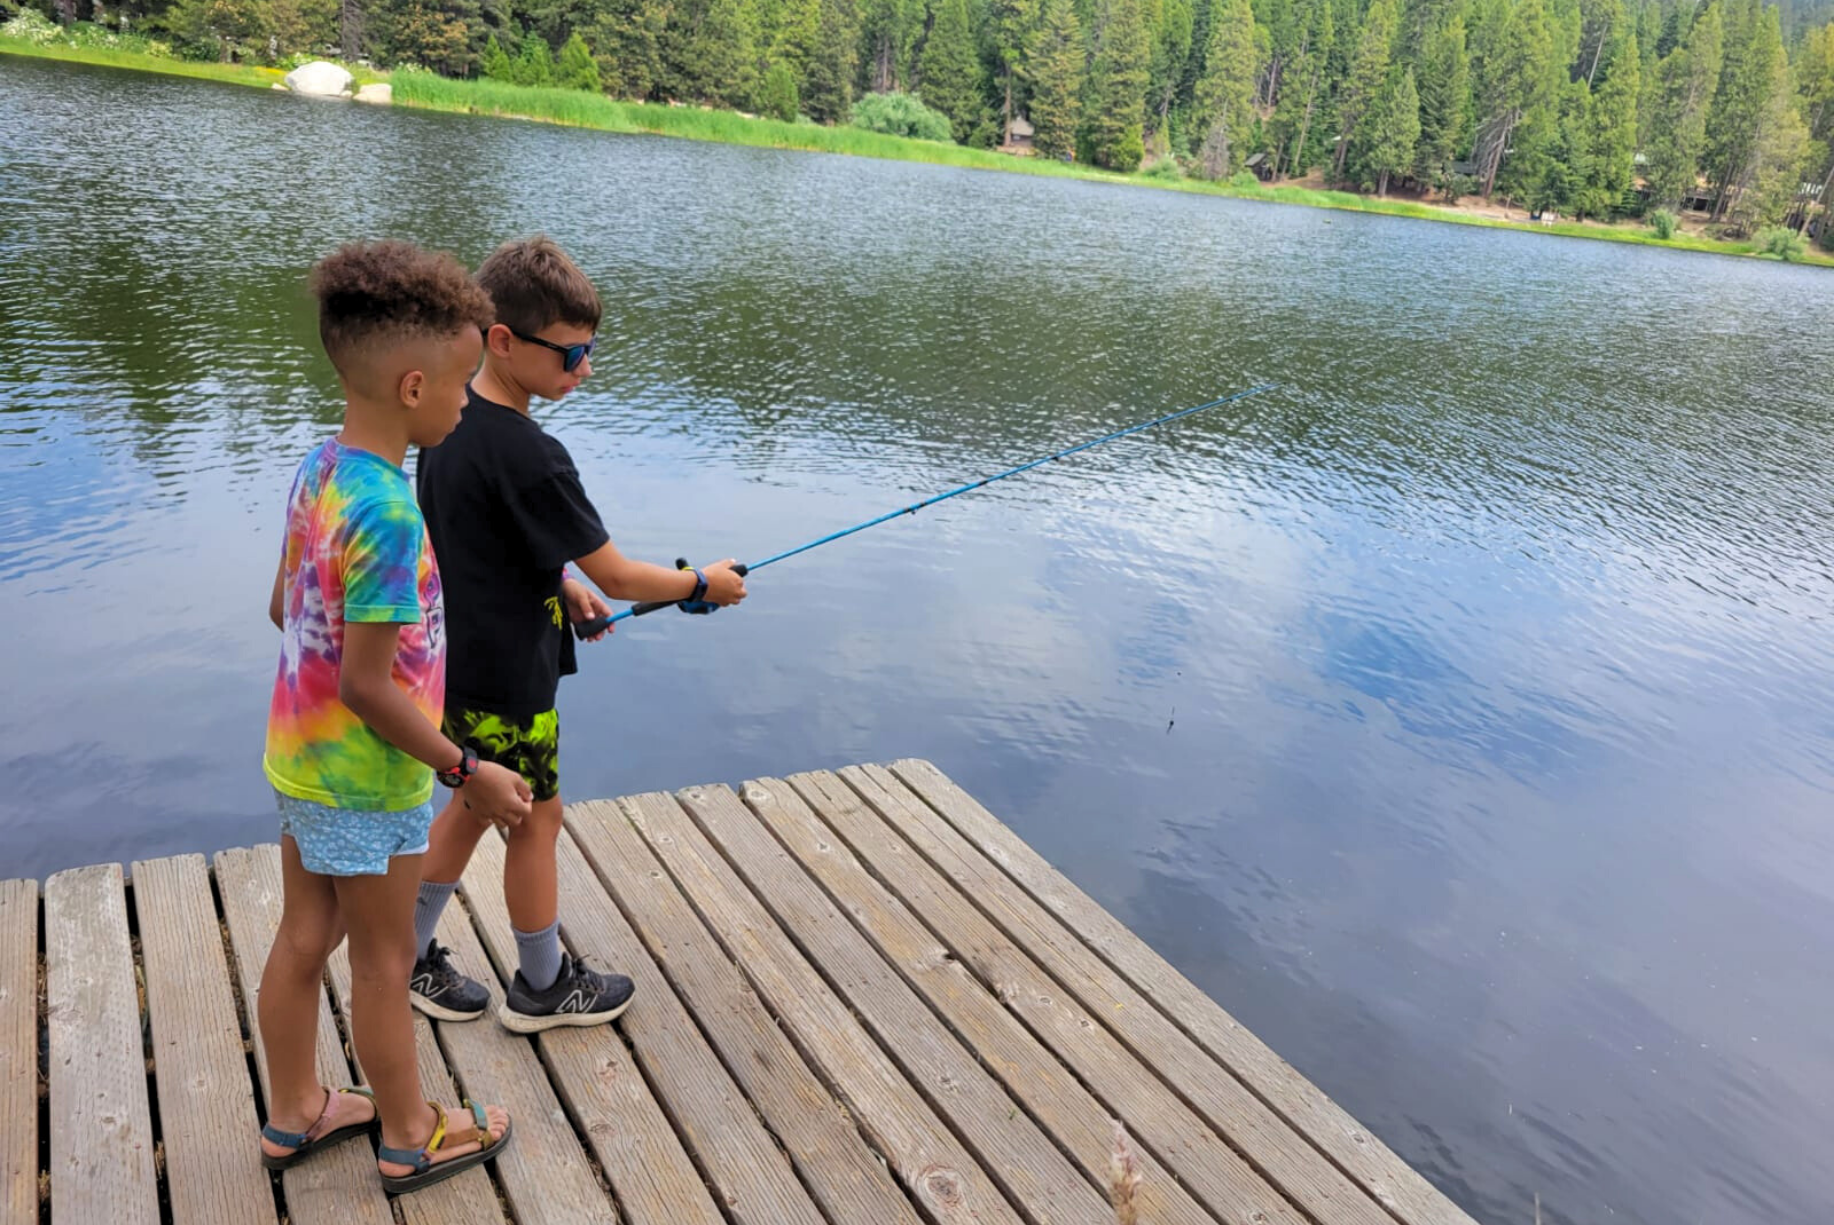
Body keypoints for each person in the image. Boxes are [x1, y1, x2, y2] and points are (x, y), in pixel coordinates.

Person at [408, 235, 745, 1032]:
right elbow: (622, 577)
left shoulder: (448, 420)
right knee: (534, 817)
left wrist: (558, 581)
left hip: (454, 666)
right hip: (508, 680)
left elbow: (473, 536)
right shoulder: (534, 453)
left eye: (589, 351)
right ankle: (542, 983)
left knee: (472, 804)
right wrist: (703, 583)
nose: (585, 370)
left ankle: (405, 952)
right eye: (571, 354)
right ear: (501, 339)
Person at [257, 240, 523, 1193]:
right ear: (414, 387)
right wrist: (467, 770)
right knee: (384, 955)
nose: (466, 401)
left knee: (303, 937)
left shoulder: (320, 467)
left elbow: (283, 608)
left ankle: (295, 1110)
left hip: (301, 761)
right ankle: (410, 1133)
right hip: (370, 784)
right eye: (460, 383)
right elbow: (370, 688)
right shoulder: (390, 515)